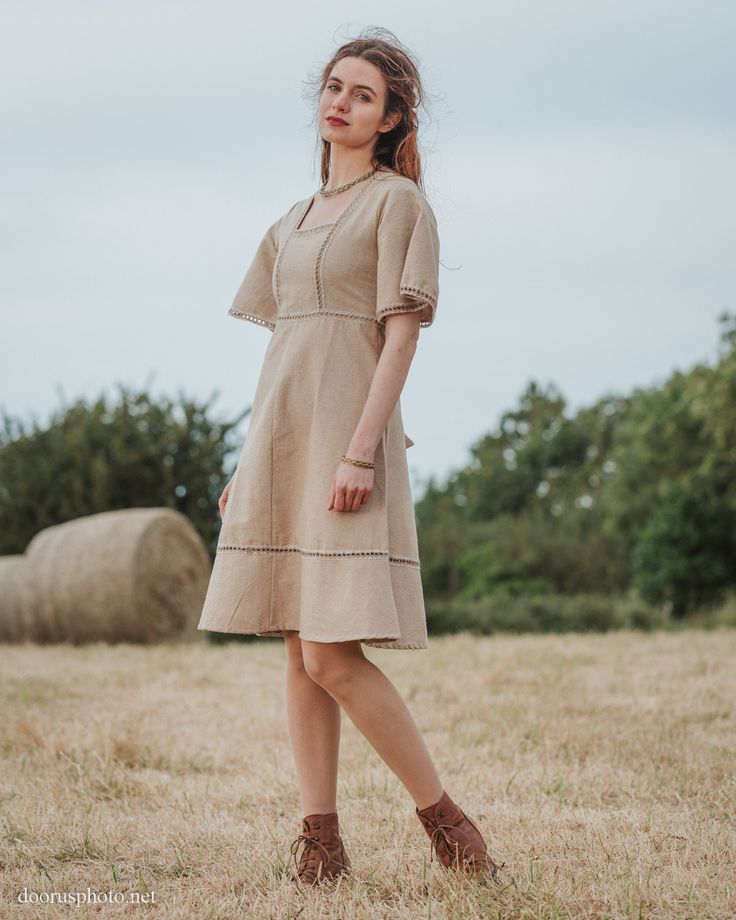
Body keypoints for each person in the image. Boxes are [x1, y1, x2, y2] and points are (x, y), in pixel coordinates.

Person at [197, 28, 501, 887]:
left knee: (333, 652)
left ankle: (447, 825)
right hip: (284, 448)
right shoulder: (288, 223)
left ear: (392, 116)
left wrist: (360, 452)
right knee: (298, 649)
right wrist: (246, 465)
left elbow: (399, 337)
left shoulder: (397, 205)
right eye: (334, 86)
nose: (340, 102)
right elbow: (286, 359)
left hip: (350, 446)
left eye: (363, 94)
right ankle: (321, 844)